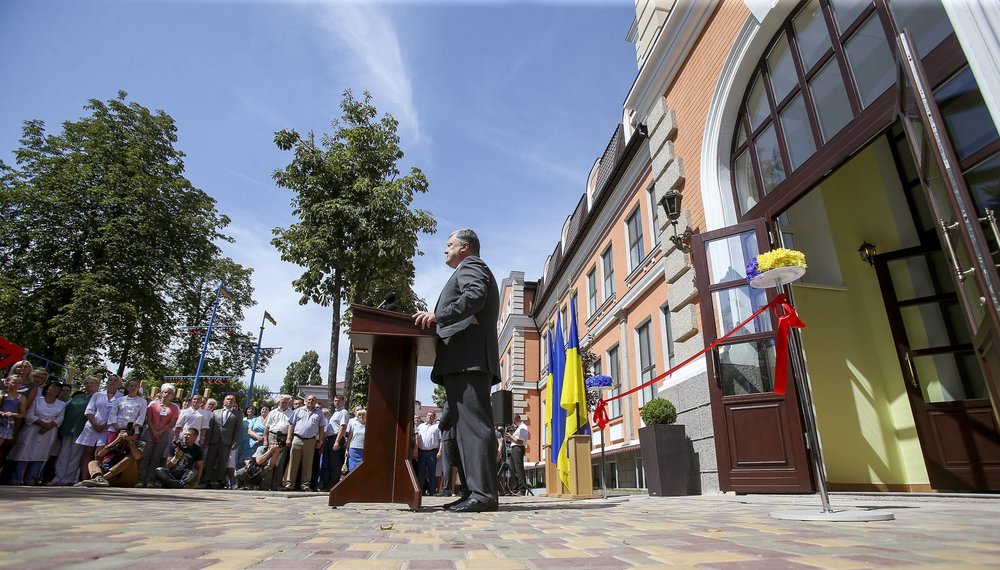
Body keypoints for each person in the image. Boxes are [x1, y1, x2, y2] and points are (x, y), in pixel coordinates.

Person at [413, 228, 501, 513]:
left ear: (465, 247)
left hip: (469, 359)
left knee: (473, 427)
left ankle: (483, 494)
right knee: (463, 431)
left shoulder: (472, 265)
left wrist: (439, 316)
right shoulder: (466, 268)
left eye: (449, 244)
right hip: (463, 360)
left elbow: (475, 296)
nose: (445, 249)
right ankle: (472, 492)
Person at [10, 381, 66, 485]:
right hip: (32, 429)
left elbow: (60, 418)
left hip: (49, 432)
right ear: (47, 389)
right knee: (24, 452)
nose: (56, 390)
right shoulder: (37, 400)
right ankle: (16, 478)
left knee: (41, 454)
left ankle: (31, 478)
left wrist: (49, 426)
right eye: (54, 387)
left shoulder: (61, 404)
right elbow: (30, 415)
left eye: (58, 389)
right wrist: (42, 424)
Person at [50, 377, 99, 486]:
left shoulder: (99, 398)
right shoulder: (77, 397)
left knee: (75, 455)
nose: (89, 385)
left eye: (91, 383)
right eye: (87, 383)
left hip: (84, 430)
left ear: (97, 385)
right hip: (69, 429)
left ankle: (69, 478)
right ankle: (58, 477)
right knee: (63, 454)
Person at [75, 374, 122, 484]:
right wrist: (95, 424)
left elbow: (118, 414)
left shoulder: (121, 397)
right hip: (92, 427)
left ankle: (96, 478)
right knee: (87, 453)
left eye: (115, 380)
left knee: (99, 454)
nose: (112, 382)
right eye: (110, 380)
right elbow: (89, 410)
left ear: (119, 383)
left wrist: (104, 424)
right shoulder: (97, 395)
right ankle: (84, 478)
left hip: (108, 428)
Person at [136, 383, 179, 488]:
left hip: (163, 435)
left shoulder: (174, 407)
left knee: (156, 459)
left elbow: (172, 423)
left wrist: (160, 432)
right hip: (149, 433)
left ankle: (150, 480)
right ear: (161, 393)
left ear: (172, 395)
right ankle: (141, 480)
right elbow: (149, 419)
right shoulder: (153, 404)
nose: (166, 395)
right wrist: (154, 431)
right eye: (165, 392)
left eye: (169, 393)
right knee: (145, 458)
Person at [282, 395, 326, 491]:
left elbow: (321, 427)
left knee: (308, 463)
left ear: (315, 402)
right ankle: (289, 484)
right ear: (306, 401)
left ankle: (305, 485)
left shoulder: (319, 413)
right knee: (293, 462)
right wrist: (289, 438)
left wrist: (320, 440)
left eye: (313, 400)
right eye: (309, 399)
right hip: (297, 438)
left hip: (311, 440)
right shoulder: (298, 410)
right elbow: (291, 424)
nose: (310, 401)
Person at [76, 425, 142, 488]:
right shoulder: (117, 444)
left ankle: (101, 479)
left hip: (128, 478)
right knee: (93, 462)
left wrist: (130, 441)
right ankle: (99, 478)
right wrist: (116, 441)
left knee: (130, 458)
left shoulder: (140, 444)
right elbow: (99, 455)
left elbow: (137, 456)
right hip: (111, 479)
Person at [205, 394, 242, 489]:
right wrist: (207, 441)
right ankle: (206, 480)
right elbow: (210, 427)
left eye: (232, 399)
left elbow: (238, 430)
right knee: (210, 461)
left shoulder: (237, 414)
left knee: (223, 462)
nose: (229, 400)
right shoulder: (215, 412)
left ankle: (220, 481)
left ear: (234, 402)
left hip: (226, 442)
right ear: (224, 401)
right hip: (214, 440)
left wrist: (235, 443)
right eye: (228, 399)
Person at [318, 396, 349, 491]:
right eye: (335, 401)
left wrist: (337, 441)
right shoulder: (335, 412)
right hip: (329, 438)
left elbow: (343, 427)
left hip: (336, 438)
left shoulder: (343, 412)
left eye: (339, 401)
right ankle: (326, 484)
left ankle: (333, 485)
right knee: (327, 463)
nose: (336, 402)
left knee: (334, 463)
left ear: (343, 402)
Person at [436, 402, 459, 497]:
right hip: (460, 436)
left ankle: (446, 489)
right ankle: (465, 489)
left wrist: (440, 426)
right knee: (460, 465)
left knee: (447, 463)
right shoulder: (464, 401)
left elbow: (444, 418)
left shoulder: (450, 401)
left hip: (449, 435)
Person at [415, 411, 441, 496]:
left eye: (431, 416)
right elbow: (416, 438)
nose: (429, 417)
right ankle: (421, 490)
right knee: (421, 472)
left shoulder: (437, 427)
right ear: (426, 416)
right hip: (421, 451)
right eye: (428, 415)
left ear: (434, 417)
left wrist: (440, 451)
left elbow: (441, 440)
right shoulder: (420, 426)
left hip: (432, 452)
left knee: (432, 472)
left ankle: (431, 491)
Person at [505, 414, 529, 495]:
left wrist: (511, 436)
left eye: (514, 420)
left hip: (518, 448)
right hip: (514, 448)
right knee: (513, 469)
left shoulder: (523, 427)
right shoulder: (518, 428)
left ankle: (522, 489)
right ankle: (514, 489)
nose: (514, 422)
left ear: (518, 419)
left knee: (519, 469)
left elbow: (520, 441)